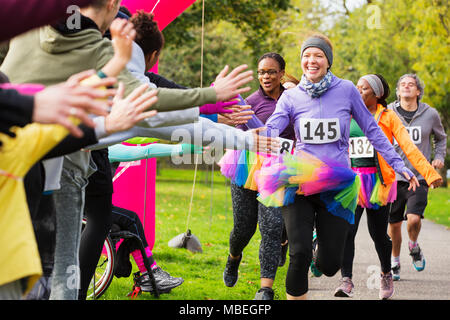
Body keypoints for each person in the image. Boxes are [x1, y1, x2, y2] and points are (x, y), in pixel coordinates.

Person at [246, 33, 419, 300]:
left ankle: (321, 249)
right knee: (299, 254)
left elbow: (372, 130)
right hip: (299, 182)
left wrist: (397, 164)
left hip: (336, 186)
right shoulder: (291, 98)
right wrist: (247, 121)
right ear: (301, 61)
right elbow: (270, 131)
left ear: (328, 61)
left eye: (318, 55)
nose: (311, 60)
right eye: (306, 56)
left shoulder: (346, 89)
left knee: (329, 266)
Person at [333, 74, 442, 300]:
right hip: (351, 182)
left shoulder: (388, 116)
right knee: (347, 233)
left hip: (378, 184)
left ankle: (385, 273)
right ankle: (346, 280)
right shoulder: (347, 113)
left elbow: (409, 148)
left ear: (377, 94)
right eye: (357, 87)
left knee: (378, 235)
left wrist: (429, 175)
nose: (358, 91)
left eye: (363, 89)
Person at [220, 52, 294, 300]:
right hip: (248, 167)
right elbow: (240, 138)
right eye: (262, 72)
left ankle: (265, 289)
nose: (266, 77)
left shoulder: (293, 99)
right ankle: (233, 257)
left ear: (281, 73)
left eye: (271, 72)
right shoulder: (250, 102)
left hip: (280, 170)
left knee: (272, 226)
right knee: (244, 228)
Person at [387, 74, 447, 281]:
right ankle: (394, 260)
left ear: (418, 91)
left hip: (419, 176)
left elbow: (441, 139)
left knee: (413, 219)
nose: (406, 87)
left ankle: (413, 245)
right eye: (402, 84)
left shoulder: (430, 114)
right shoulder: (388, 112)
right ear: (397, 91)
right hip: (394, 177)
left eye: (410, 85)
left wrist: (438, 158)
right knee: (393, 224)